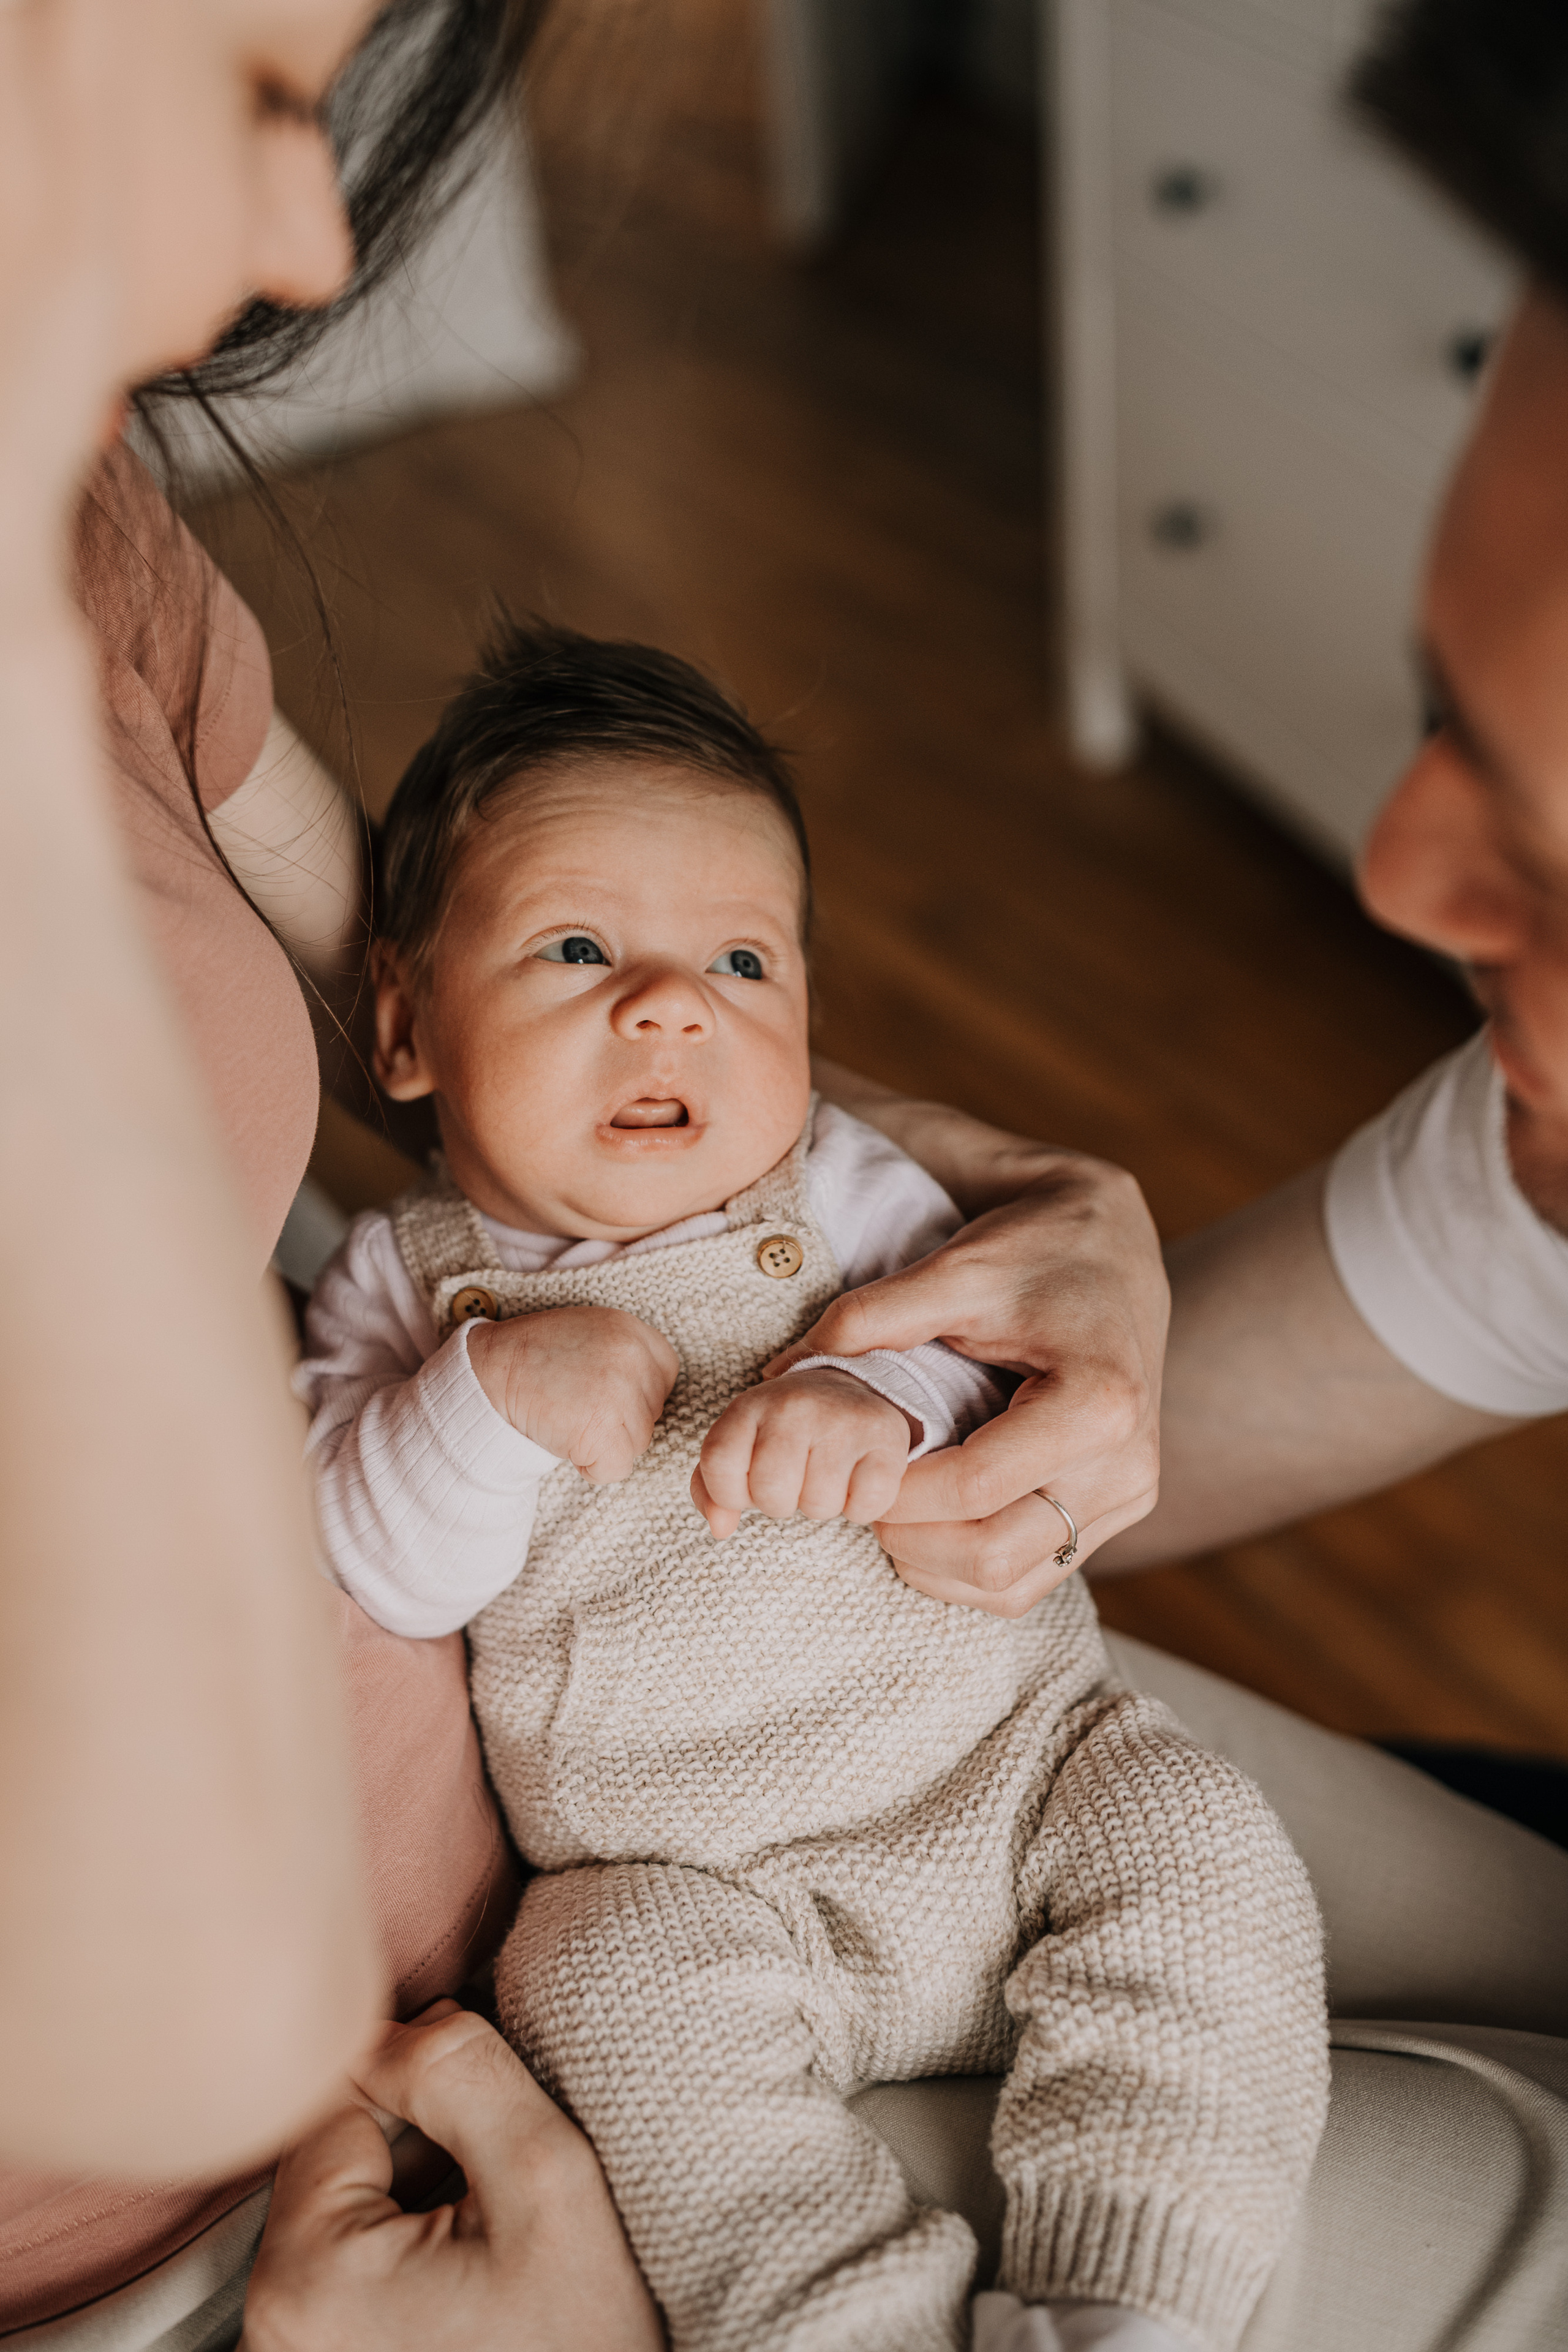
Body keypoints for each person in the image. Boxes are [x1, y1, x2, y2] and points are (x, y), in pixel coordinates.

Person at [0, 5, 1171, 2347]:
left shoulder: (73, 501)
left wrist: (1010, 1208)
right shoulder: (409, 1306)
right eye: (246, 84)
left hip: (882, 1772)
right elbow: (187, 1976)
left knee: (1327, 1945)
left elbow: (392, 985)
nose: (309, 231)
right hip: (307, 2165)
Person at [293, 622, 1328, 2352]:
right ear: (404, 1026)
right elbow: (374, 1564)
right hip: (695, 1877)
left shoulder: (846, 1186)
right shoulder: (416, 1289)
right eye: (576, 946)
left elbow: (1000, 1364)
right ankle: (843, 2328)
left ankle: (1136, 2295)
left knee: (1209, 1860)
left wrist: (881, 1390)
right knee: (595, 1997)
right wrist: (486, 1404)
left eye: (744, 965)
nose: (671, 1004)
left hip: (1010, 1770)